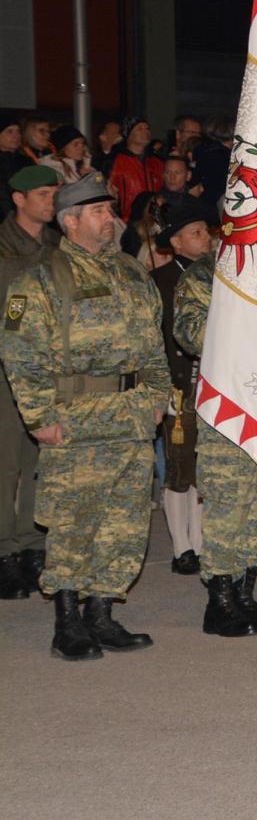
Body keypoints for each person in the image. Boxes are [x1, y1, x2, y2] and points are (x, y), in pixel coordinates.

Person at [0, 173, 169, 659]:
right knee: (74, 522)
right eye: (99, 212)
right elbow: (17, 351)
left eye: (111, 211)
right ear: (71, 221)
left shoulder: (132, 273)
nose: (110, 219)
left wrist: (158, 395)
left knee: (124, 522)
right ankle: (68, 621)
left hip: (132, 418)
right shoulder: (39, 278)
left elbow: (154, 344)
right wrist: (37, 417)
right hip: (76, 420)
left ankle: (103, 613)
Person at [169, 217, 257, 637]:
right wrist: (247, 322)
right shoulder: (204, 276)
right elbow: (189, 334)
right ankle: (219, 602)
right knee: (227, 504)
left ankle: (246, 593)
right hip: (228, 405)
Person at [0, 164, 60, 600]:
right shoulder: (4, 248)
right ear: (19, 199)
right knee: (6, 467)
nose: (51, 201)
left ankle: (32, 543)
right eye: (43, 194)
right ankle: (4, 552)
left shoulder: (57, 247)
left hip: (51, 369)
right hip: (6, 370)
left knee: (40, 464)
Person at [150, 198, 213, 578]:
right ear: (175, 242)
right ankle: (181, 546)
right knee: (180, 469)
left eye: (206, 231)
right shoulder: (160, 282)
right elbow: (154, 340)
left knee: (207, 466)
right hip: (180, 386)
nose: (206, 239)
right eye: (196, 233)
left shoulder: (221, 276)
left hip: (216, 386)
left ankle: (202, 541)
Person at [106, 119, 163, 226]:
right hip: (125, 223)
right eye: (140, 129)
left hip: (154, 222)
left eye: (147, 128)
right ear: (128, 134)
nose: (145, 131)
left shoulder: (157, 162)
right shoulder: (114, 160)